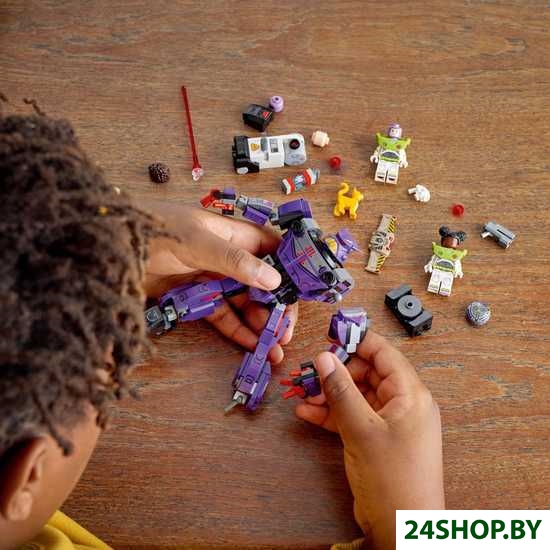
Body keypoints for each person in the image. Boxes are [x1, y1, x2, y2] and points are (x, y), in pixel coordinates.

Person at [0, 113, 444, 550]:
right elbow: (270, 213)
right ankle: (236, 377)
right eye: (107, 360)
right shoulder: (306, 233)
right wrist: (417, 527)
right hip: (265, 284)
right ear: (28, 472)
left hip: (270, 291)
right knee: (241, 325)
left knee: (258, 338)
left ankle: (245, 383)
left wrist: (109, 247)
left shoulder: (325, 265)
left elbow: (280, 229)